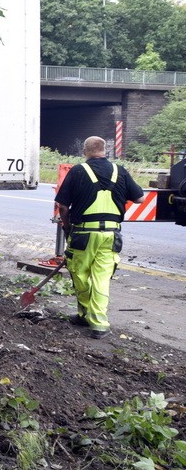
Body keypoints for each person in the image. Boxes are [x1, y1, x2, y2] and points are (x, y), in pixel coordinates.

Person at [55, 136, 145, 339]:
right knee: (102, 278)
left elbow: (62, 206)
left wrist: (68, 227)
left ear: (85, 151)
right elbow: (139, 198)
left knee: (80, 274)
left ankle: (85, 314)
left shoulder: (78, 171)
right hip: (111, 236)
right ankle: (99, 323)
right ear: (105, 151)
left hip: (83, 235)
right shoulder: (119, 171)